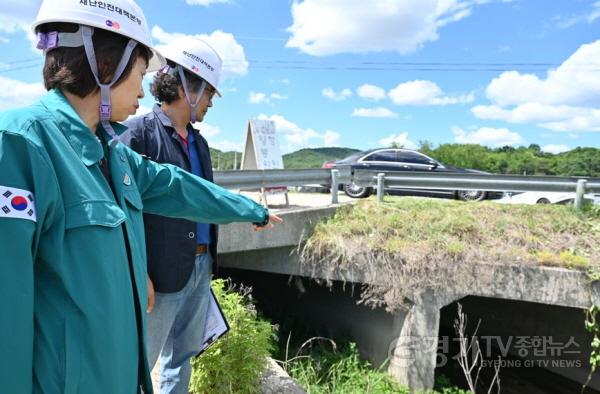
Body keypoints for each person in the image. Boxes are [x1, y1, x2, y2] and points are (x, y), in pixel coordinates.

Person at [0, 1, 280, 393]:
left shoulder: (113, 155)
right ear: (106, 64)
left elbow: (176, 185)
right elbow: (6, 316)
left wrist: (251, 209)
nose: (143, 87)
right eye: (140, 71)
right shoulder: (20, 144)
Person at [119, 39, 228, 393]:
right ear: (187, 86)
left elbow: (204, 201)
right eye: (209, 93)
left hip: (199, 266)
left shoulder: (199, 143)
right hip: (159, 274)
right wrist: (139, 273)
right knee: (140, 363)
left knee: (181, 359)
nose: (211, 103)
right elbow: (120, 211)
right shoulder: (137, 134)